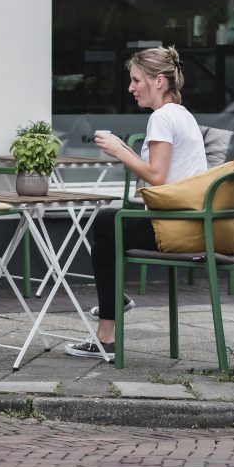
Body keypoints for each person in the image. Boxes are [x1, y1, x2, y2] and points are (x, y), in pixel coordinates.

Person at [64, 45, 206, 358]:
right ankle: (107, 334)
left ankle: (113, 309)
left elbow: (156, 175)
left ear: (159, 82)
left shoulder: (162, 118)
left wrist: (118, 149)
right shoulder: (181, 114)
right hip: (190, 225)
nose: (130, 88)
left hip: (174, 229)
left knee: (104, 220)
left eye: (136, 80)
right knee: (105, 241)